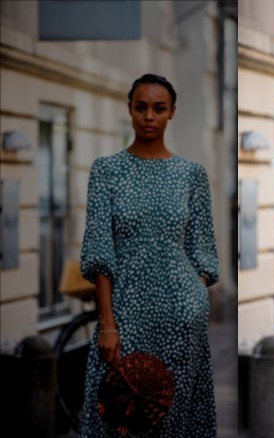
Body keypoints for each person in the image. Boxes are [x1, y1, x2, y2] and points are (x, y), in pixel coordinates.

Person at [80, 73, 219, 437]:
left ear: (172, 112)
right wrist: (108, 322)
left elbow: (203, 252)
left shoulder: (191, 175)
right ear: (129, 109)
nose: (149, 117)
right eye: (141, 107)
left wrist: (194, 303)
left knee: (171, 417)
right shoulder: (106, 171)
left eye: (159, 108)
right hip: (124, 314)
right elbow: (98, 251)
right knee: (118, 414)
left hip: (180, 319)